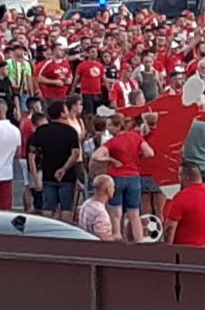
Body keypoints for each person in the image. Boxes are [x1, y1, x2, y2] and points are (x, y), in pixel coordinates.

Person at [92, 114, 154, 243]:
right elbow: (150, 153)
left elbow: (96, 156)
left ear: (117, 126)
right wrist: (138, 157)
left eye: (110, 125)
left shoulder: (112, 142)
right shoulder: (136, 137)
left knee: (116, 212)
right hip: (134, 177)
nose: (108, 128)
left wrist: (111, 160)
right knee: (134, 213)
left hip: (117, 178)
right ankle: (139, 240)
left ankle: (117, 236)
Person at [27, 99, 82, 223]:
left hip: (48, 173)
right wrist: (64, 169)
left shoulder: (42, 130)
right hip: (67, 176)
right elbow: (75, 154)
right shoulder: (70, 131)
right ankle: (65, 235)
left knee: (48, 207)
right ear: (62, 113)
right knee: (66, 208)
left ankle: (48, 234)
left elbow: (32, 149)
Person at [164, 162, 205, 248]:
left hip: (184, 250)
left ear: (185, 177)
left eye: (179, 175)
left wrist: (168, 248)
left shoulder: (180, 197)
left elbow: (170, 226)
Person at [78, 175, 117, 241]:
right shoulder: (100, 212)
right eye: (113, 187)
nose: (114, 189)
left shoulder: (86, 203)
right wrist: (115, 237)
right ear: (108, 189)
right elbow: (102, 239)